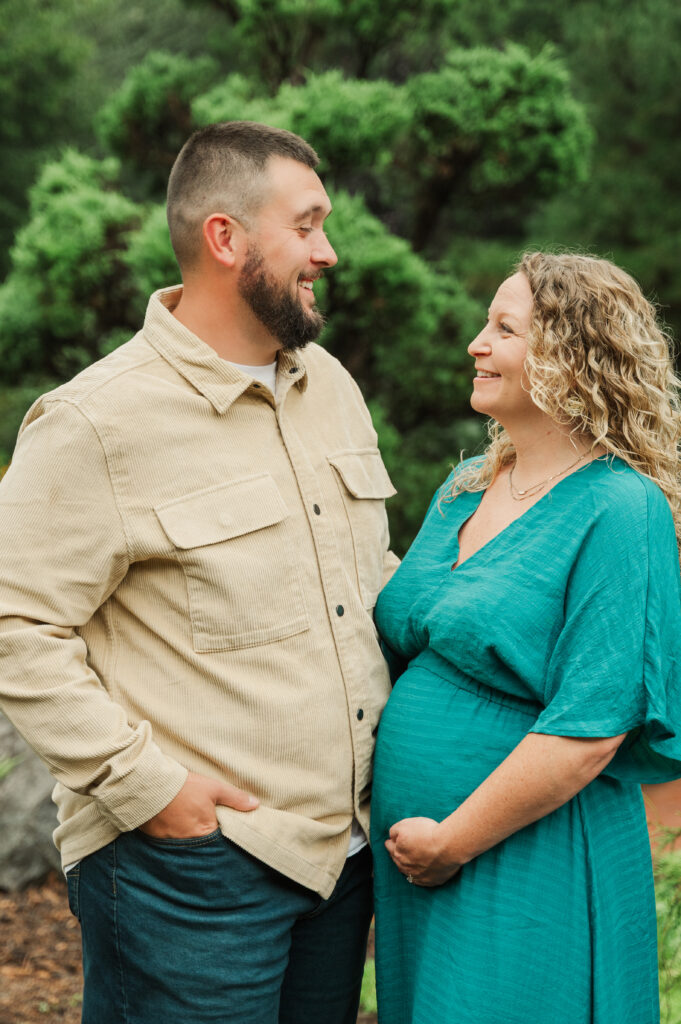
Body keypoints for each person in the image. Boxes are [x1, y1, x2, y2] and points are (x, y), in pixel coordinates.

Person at [0, 121, 399, 1024]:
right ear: (226, 238)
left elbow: (368, 576)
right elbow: (14, 624)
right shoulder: (95, 423)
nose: (327, 252)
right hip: (187, 870)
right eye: (306, 226)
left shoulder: (330, 384)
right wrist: (150, 790)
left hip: (338, 862)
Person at [370, 251, 681, 1024]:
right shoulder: (466, 484)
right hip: (417, 866)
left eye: (502, 328)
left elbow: (590, 725)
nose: (476, 344)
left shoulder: (619, 508)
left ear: (572, 359)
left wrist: (451, 842)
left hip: (523, 850)